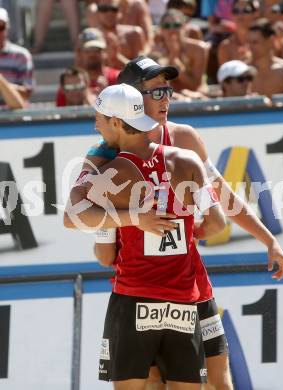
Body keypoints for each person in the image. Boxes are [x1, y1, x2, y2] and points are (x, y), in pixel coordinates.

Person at [65, 55, 283, 390]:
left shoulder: (180, 139)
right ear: (131, 98)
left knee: (219, 380)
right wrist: (137, 224)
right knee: (163, 381)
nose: (165, 97)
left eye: (167, 89)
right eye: (155, 91)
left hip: (183, 282)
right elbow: (86, 224)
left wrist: (268, 239)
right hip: (159, 282)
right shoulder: (105, 151)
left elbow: (223, 198)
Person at [74, 83, 227, 389]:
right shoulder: (188, 160)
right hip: (183, 299)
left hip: (134, 296)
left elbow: (79, 223)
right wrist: (186, 233)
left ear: (117, 123)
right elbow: (217, 222)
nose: (95, 125)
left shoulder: (113, 172)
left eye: (100, 118)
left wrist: (132, 218)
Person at [150, 9, 210, 98]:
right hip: (169, 99)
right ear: (161, 30)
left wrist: (174, 61)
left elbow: (195, 86)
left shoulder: (199, 49)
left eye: (176, 25)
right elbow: (157, 86)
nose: (172, 29)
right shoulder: (155, 53)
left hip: (194, 97)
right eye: (167, 26)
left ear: (184, 27)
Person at [248, 18, 283, 97]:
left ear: (270, 40)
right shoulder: (242, 72)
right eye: (249, 42)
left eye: (255, 42)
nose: (250, 47)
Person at [86, 0, 145, 69]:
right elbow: (82, 71)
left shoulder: (134, 33)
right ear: (97, 12)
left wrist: (117, 57)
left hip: (128, 79)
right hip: (103, 79)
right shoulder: (89, 36)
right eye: (103, 9)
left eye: (114, 9)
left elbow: (141, 69)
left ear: (121, 10)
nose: (109, 13)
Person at [0, 7, 34, 106]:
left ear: (8, 26)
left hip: (16, 118)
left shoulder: (21, 55)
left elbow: (26, 93)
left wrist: (2, 84)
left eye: (1, 27)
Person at [217, 0, 260, 65]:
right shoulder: (225, 47)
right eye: (236, 11)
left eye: (246, 10)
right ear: (231, 15)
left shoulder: (263, 42)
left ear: (255, 14)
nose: (240, 14)